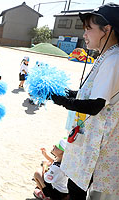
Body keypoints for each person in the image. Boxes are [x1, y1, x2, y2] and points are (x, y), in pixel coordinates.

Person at [50, 3, 119, 199]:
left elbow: (96, 105)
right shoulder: (107, 56)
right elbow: (87, 95)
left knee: (78, 191)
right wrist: (61, 92)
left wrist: (63, 101)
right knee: (74, 186)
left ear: (107, 30)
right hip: (88, 142)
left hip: (97, 148)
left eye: (89, 28)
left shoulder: (114, 59)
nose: (84, 35)